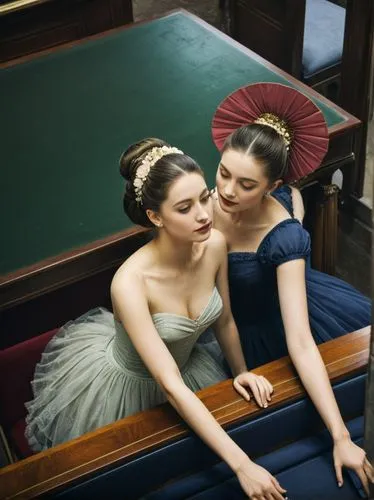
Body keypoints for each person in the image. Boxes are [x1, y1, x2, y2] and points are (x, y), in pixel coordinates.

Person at [25, 138, 289, 500]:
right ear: (155, 216)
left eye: (203, 197)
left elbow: (224, 319)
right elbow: (170, 384)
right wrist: (242, 465)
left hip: (191, 369)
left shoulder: (213, 244)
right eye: (185, 207)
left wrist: (241, 370)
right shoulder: (130, 283)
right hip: (130, 386)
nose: (204, 214)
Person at [211, 83, 373, 495]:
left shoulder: (283, 238)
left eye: (247, 185)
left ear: (272, 185)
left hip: (280, 323)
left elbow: (300, 341)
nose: (228, 191)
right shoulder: (206, 200)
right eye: (224, 173)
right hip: (220, 320)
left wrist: (340, 437)